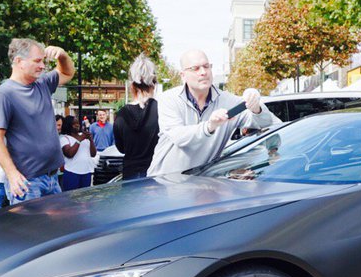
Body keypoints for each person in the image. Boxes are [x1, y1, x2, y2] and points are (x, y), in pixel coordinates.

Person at [147, 48, 278, 176]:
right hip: (164, 182)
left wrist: (257, 109)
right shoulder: (169, 99)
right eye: (195, 68)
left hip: (203, 183)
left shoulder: (228, 101)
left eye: (206, 66)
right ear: (183, 75)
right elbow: (180, 137)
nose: (203, 72)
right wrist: (210, 126)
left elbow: (271, 124)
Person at [0, 38, 75, 204]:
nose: (42, 66)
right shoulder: (4, 94)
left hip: (52, 177)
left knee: (57, 230)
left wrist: (62, 55)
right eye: (37, 61)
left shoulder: (42, 83)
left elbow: (67, 73)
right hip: (28, 182)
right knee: (29, 230)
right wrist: (12, 174)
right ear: (19, 61)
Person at [115, 53, 160, 180]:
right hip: (155, 173)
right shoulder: (162, 110)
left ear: (132, 86)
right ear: (154, 84)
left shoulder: (121, 114)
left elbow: (121, 148)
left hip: (130, 174)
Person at [59, 115, 97, 190]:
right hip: (72, 173)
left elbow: (93, 154)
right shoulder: (65, 138)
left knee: (84, 199)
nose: (77, 125)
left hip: (86, 172)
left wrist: (91, 140)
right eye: (74, 124)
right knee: (71, 199)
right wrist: (79, 140)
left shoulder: (83, 136)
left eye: (78, 123)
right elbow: (69, 154)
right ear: (69, 126)